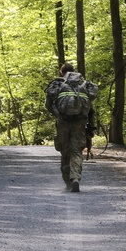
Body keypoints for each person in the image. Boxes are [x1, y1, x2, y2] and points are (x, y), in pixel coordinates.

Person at [45, 63, 98, 192]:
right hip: (80, 122)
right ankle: (75, 178)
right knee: (76, 151)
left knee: (65, 150)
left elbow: (48, 105)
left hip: (63, 121)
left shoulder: (58, 84)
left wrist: (58, 114)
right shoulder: (84, 84)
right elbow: (90, 106)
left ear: (61, 72)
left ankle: (68, 182)